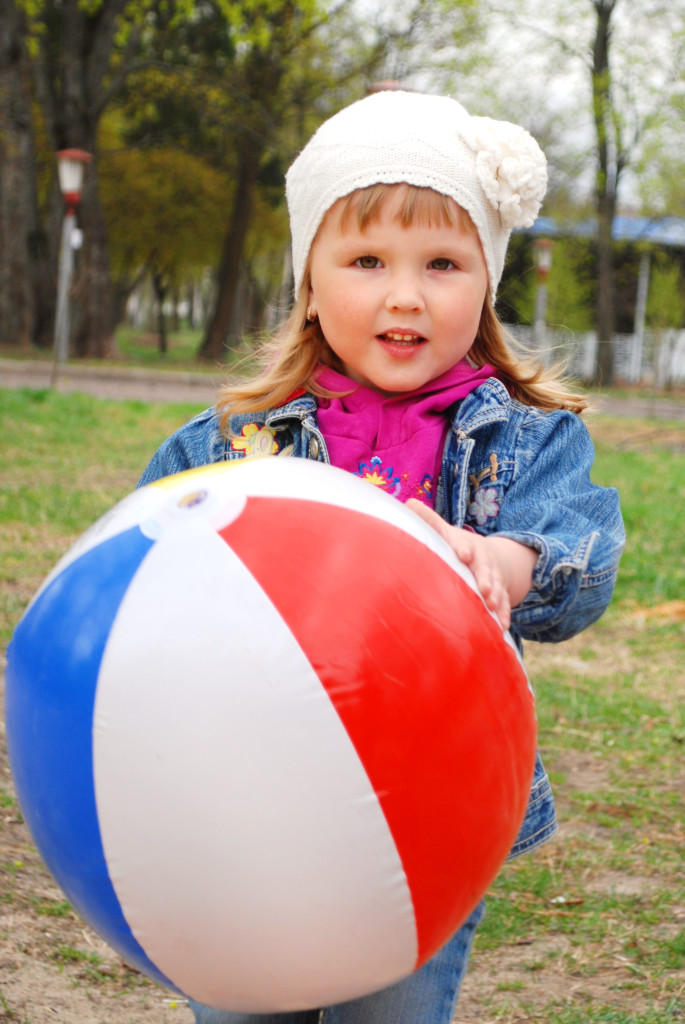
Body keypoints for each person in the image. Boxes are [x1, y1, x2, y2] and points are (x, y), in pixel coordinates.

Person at [138, 90, 625, 1024]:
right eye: (366, 260)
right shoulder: (236, 440)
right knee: (246, 1005)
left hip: (429, 813)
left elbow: (581, 558)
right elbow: (146, 552)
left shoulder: (525, 440)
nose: (405, 293)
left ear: (484, 283)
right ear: (310, 284)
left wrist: (496, 562)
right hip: (250, 796)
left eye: (442, 262)